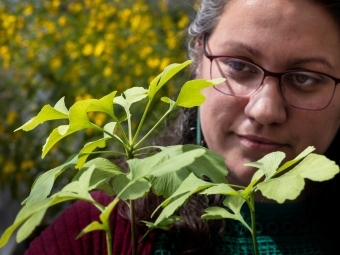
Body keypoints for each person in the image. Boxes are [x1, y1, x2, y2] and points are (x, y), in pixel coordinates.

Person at [24, 0, 340, 254]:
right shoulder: (109, 226)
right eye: (239, 66)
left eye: (306, 78)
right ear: (198, 58)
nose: (265, 110)